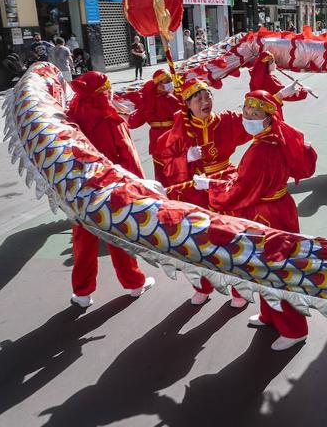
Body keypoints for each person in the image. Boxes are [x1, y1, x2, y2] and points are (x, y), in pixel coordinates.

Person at [196, 90, 317, 350]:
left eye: (256, 113)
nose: (248, 116)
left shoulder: (264, 149)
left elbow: (243, 190)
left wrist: (212, 188)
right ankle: (270, 314)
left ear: (268, 117)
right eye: (246, 111)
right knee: (262, 267)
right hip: (270, 209)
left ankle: (294, 329)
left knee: (277, 270)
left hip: (270, 214)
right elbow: (245, 181)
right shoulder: (269, 139)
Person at [155, 77, 251, 305]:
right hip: (194, 189)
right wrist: (185, 158)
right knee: (195, 240)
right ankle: (202, 286)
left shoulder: (226, 120)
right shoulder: (180, 131)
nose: (205, 101)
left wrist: (277, 98)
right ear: (187, 104)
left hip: (224, 182)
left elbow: (252, 121)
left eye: (207, 96)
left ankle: (239, 290)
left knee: (231, 237)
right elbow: (167, 165)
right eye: (197, 98)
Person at [65, 71, 155, 307]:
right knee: (119, 237)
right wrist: (140, 188)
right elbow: (128, 158)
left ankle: (82, 294)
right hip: (111, 190)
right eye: (107, 88)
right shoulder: (110, 119)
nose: (111, 91)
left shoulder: (71, 119)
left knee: (83, 242)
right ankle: (134, 283)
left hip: (81, 191)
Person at [128, 70, 184, 183]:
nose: (170, 84)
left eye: (171, 81)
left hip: (156, 138)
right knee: (174, 168)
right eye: (167, 81)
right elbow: (185, 115)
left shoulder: (147, 99)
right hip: (170, 136)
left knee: (161, 170)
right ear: (159, 84)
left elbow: (134, 122)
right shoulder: (170, 99)